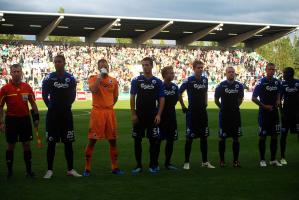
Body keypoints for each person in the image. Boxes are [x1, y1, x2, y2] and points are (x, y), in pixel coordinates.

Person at [42, 55, 82, 179]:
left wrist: (66, 106)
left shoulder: (70, 78)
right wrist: (51, 107)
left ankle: (70, 169)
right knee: (51, 143)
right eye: (55, 62)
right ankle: (49, 170)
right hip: (52, 115)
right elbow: (44, 95)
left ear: (64, 62)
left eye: (59, 61)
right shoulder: (49, 78)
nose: (57, 64)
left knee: (68, 143)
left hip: (66, 115)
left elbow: (73, 95)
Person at [83, 59, 124, 176]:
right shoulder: (93, 78)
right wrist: (100, 77)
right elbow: (94, 89)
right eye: (100, 65)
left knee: (113, 141)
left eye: (105, 64)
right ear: (98, 68)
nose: (103, 66)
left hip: (109, 113)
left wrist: (108, 106)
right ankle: (87, 168)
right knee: (92, 141)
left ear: (108, 66)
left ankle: (115, 167)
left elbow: (115, 97)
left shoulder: (114, 81)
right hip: (97, 113)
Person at [0, 64, 39, 178]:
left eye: (18, 71)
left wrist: (36, 118)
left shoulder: (27, 87)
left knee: (26, 145)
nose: (16, 73)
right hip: (11, 120)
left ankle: (29, 171)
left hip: (25, 119)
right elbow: (0, 107)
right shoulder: (5, 89)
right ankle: (9, 171)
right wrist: (1, 122)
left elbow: (33, 103)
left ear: (21, 72)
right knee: (10, 145)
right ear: (10, 73)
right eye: (14, 71)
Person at [130, 57, 165, 174]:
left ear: (151, 66)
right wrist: (133, 113)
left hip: (152, 115)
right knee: (137, 140)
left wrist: (159, 114)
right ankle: (138, 165)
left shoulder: (158, 82)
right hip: (139, 115)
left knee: (153, 141)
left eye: (147, 65)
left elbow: (161, 99)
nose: (145, 67)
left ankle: (152, 164)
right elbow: (132, 97)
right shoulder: (136, 80)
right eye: (143, 65)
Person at [179, 60, 215, 170]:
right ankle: (186, 162)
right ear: (193, 68)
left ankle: (204, 161)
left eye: (201, 67)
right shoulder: (189, 80)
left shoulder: (205, 80)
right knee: (189, 138)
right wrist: (183, 106)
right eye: (198, 67)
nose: (200, 69)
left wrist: (205, 103)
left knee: (204, 137)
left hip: (202, 113)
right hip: (192, 113)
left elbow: (205, 92)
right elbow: (179, 93)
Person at [252, 63, 282, 167]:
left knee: (274, 136)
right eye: (270, 69)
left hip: (274, 113)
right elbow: (254, 98)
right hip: (264, 114)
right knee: (263, 137)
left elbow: (279, 93)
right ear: (266, 70)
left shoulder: (277, 82)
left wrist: (278, 100)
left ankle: (273, 159)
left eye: (273, 69)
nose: (272, 71)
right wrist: (264, 106)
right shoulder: (261, 82)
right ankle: (262, 159)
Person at [215, 66, 244, 167]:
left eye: (233, 72)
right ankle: (222, 161)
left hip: (235, 115)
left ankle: (235, 161)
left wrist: (234, 107)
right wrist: (222, 108)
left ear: (235, 73)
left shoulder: (239, 86)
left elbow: (240, 99)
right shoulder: (221, 86)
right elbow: (216, 100)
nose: (231, 73)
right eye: (229, 72)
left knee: (236, 138)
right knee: (222, 138)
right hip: (224, 116)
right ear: (226, 73)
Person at [158, 66, 179, 170]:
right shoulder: (159, 86)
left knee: (170, 141)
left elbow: (175, 101)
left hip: (171, 117)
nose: (172, 74)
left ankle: (168, 163)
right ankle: (155, 163)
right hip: (161, 118)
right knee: (158, 141)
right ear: (164, 75)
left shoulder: (175, 87)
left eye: (172, 73)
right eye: (169, 73)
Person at [279, 67, 299, 165]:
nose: (283, 75)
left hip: (297, 115)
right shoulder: (282, 84)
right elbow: (279, 100)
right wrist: (282, 113)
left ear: (289, 74)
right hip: (286, 114)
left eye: (284, 73)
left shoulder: (297, 83)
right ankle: (282, 157)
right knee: (283, 135)